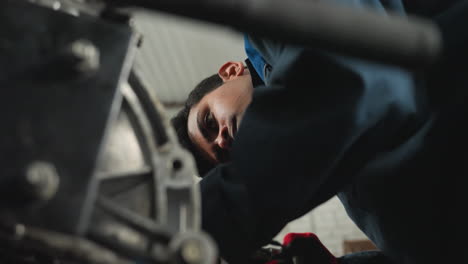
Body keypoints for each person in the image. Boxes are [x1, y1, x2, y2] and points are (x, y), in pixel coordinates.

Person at [172, 0, 468, 263]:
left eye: (209, 123)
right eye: (224, 157)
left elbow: (353, 69)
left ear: (231, 71)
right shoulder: (330, 171)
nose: (223, 140)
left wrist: (202, 225)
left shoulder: (277, 23)